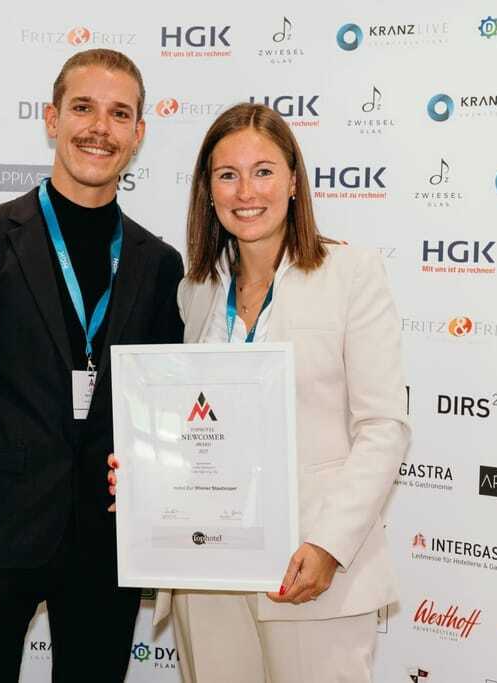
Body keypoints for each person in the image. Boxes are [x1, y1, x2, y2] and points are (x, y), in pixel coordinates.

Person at [108, 102, 409, 682]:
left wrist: (329, 545)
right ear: (209, 191)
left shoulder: (352, 274)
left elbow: (383, 428)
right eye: (228, 175)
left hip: (309, 569)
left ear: (294, 180)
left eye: (263, 171)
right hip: (206, 573)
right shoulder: (196, 290)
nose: (246, 191)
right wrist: (147, 471)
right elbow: (188, 424)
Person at [0, 49, 184, 683]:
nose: (100, 128)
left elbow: (161, 406)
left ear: (139, 133)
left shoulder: (158, 263)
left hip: (107, 542)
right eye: (83, 107)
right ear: (52, 118)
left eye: (120, 114)